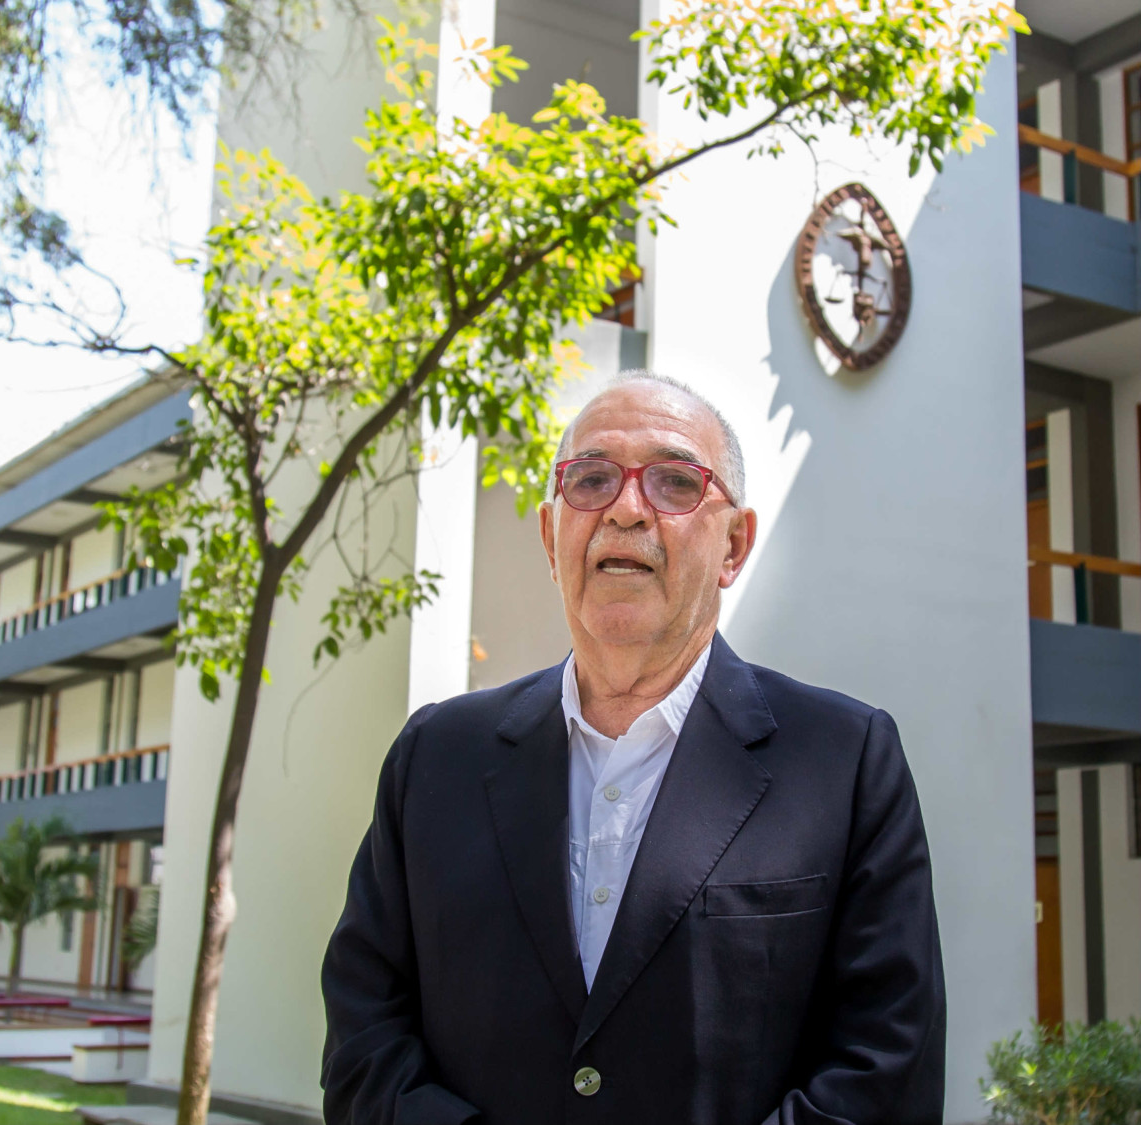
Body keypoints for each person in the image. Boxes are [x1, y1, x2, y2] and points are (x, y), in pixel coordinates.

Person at [321, 373, 944, 1124]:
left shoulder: (844, 764)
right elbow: (364, 1044)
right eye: (591, 479)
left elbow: (884, 1074)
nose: (624, 508)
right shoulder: (434, 758)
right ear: (551, 537)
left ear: (733, 545)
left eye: (675, 482)